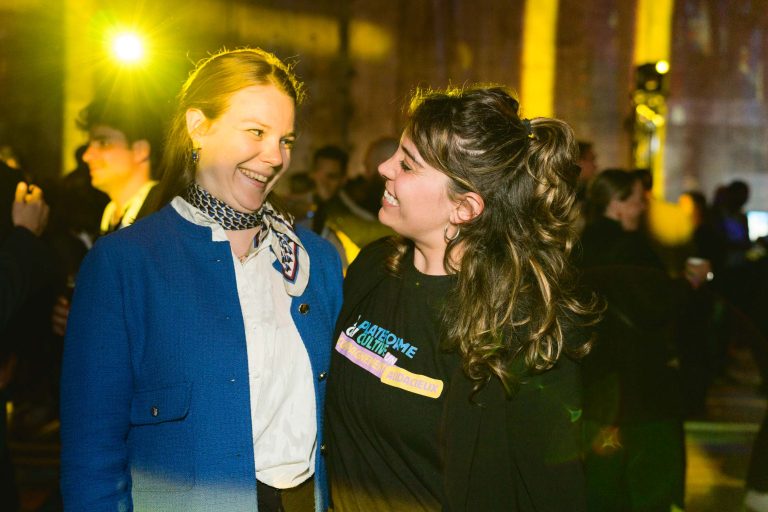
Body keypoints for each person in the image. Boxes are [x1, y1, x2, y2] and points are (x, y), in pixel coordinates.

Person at [60, 48, 343, 511]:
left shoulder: (315, 260)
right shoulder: (125, 264)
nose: (274, 157)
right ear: (199, 126)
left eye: (286, 140)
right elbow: (93, 451)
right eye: (256, 131)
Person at [325, 86, 600, 511]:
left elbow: (553, 491)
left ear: (465, 208)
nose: (383, 168)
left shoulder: (521, 331)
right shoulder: (373, 268)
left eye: (408, 164)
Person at [577, 169, 688, 512]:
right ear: (618, 204)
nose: (643, 208)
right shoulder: (635, 252)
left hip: (593, 384)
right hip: (641, 387)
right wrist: (687, 287)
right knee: (646, 484)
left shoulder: (578, 246)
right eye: (638, 200)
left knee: (599, 484)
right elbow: (656, 309)